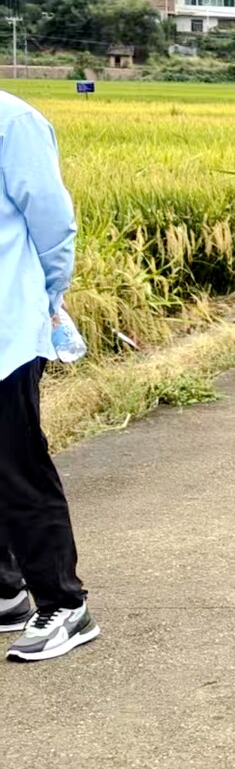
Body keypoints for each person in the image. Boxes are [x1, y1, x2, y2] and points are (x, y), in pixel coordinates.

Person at [0, 90, 98, 662]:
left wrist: (46, 300)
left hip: (7, 325)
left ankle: (64, 602)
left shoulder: (13, 122)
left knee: (17, 464)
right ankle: (7, 589)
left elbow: (54, 226)